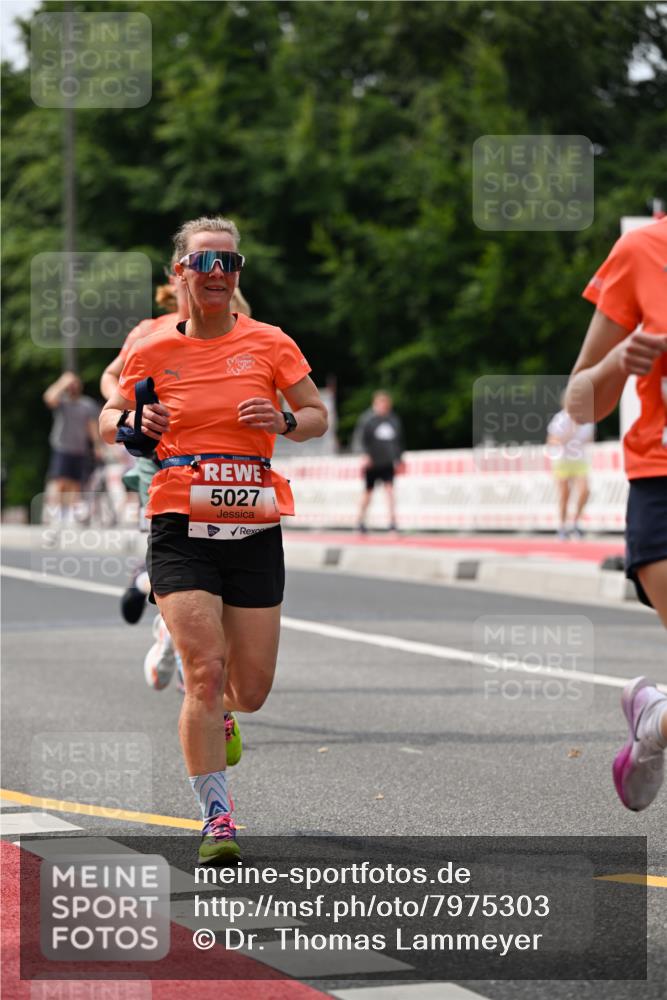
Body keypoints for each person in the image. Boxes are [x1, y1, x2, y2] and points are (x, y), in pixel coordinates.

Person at [100, 215, 328, 861]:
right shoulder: (152, 347)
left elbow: (316, 414)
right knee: (204, 669)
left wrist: (283, 419)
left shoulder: (270, 342)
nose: (218, 273)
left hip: (253, 521)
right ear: (181, 273)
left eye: (230, 262)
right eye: (204, 262)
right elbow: (109, 415)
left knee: (248, 690)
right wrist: (134, 421)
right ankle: (217, 820)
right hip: (179, 520)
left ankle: (223, 712)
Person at [101, 266, 251, 695]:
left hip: (223, 469)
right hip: (162, 460)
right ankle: (185, 651)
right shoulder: (151, 332)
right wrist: (132, 415)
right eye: (195, 268)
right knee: (177, 554)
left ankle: (169, 628)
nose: (208, 277)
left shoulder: (239, 322)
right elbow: (112, 380)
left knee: (221, 569)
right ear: (178, 278)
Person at [565, 216, 667, 812]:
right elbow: (579, 402)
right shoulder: (642, 250)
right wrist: (618, 363)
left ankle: (654, 722)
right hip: (662, 481)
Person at [43, 371, 101, 524]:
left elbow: (92, 426)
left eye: (75, 383)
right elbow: (49, 397)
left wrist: (97, 445)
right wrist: (62, 382)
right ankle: (57, 513)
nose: (73, 386)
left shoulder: (87, 404)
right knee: (60, 482)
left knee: (75, 484)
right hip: (62, 447)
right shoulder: (62, 401)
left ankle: (68, 514)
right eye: (71, 384)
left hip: (79, 448)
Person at [355, 390, 404, 532]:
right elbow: (360, 439)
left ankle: (392, 522)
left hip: (387, 462)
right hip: (372, 462)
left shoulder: (393, 420)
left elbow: (399, 441)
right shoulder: (368, 419)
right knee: (368, 492)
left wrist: (399, 459)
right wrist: (365, 455)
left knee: (390, 491)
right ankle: (360, 521)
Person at [546, 404, 594, 539]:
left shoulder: (588, 420)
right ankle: (562, 526)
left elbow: (589, 439)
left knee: (585, 491)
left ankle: (576, 523)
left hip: (579, 460)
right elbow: (551, 440)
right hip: (562, 460)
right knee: (565, 495)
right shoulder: (561, 418)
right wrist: (564, 438)